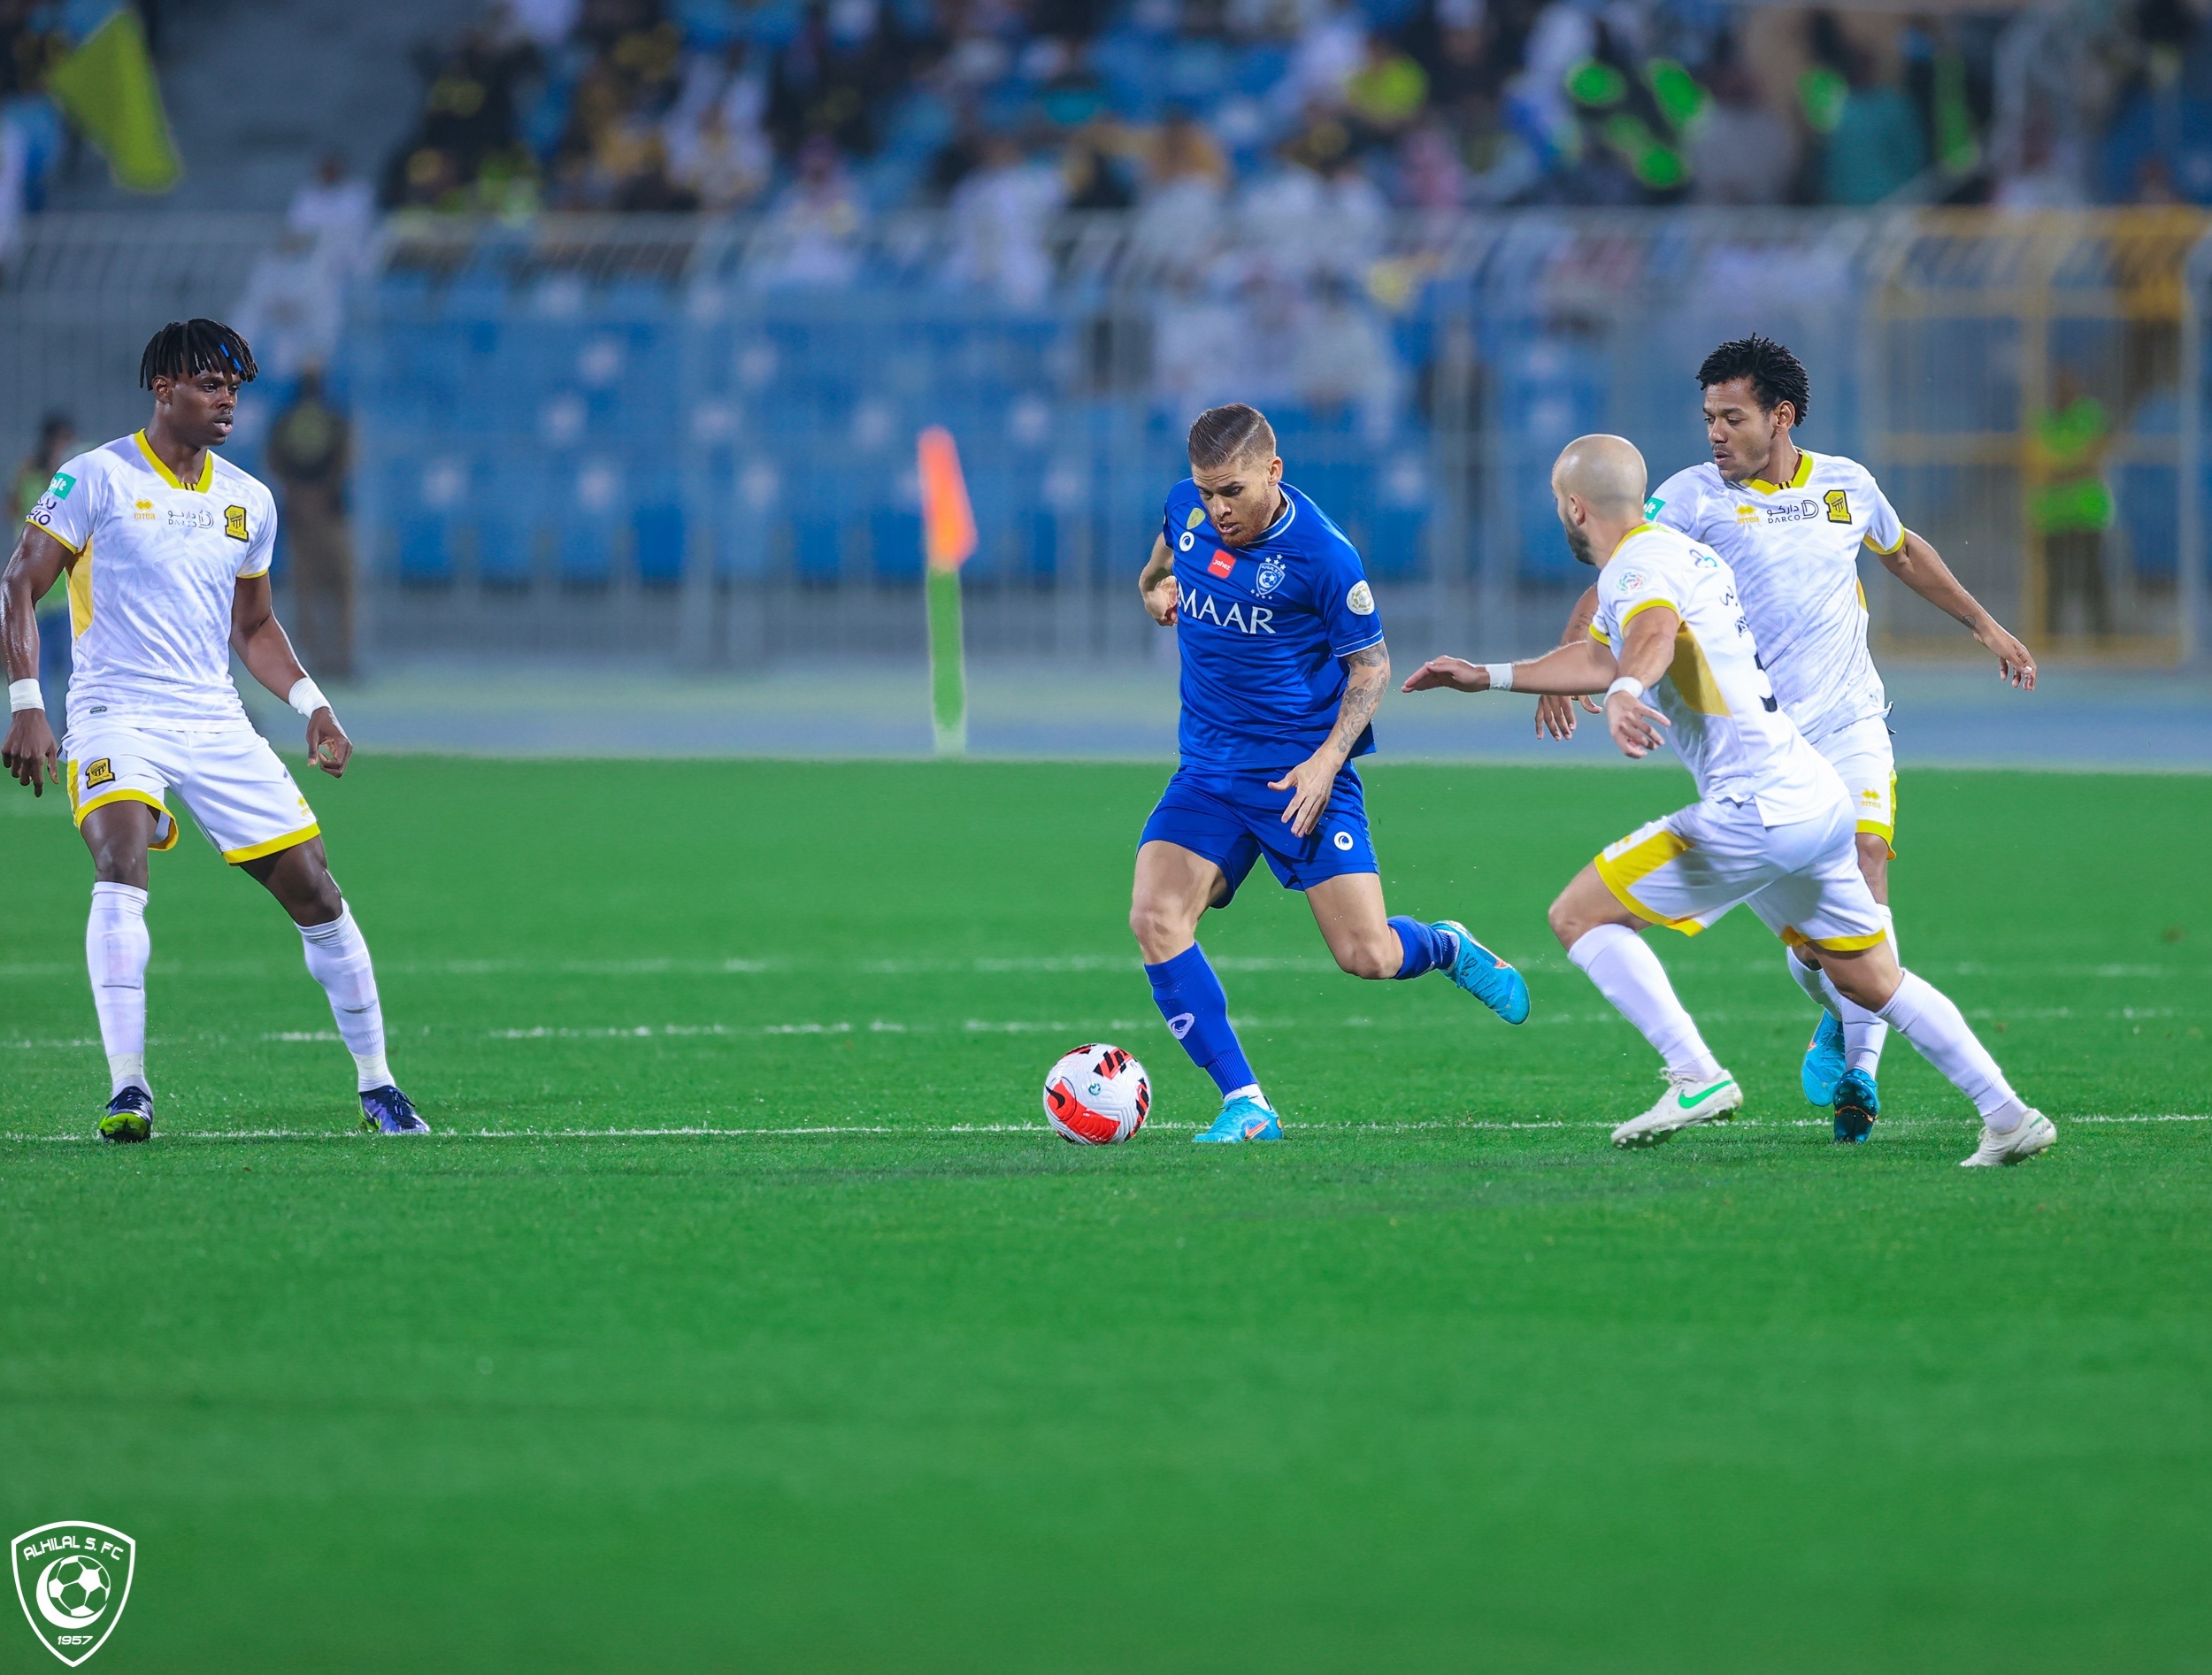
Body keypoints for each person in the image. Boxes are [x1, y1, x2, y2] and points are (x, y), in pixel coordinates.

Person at [1404, 435, 2053, 1168]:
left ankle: (1695, 1074)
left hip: (1755, 809)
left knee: (1577, 915)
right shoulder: (1683, 553)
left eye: (1561, 505)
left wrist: (1622, 690)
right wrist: (1486, 674)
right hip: (1811, 796)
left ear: (1574, 507)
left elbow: (1646, 635)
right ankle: (2008, 1115)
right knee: (1873, 979)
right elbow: (1607, 650)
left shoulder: (1639, 567)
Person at [1532, 336, 2034, 1141]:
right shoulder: (1691, 497)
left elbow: (1902, 553)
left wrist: (1986, 625)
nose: (1715, 433)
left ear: (1782, 416)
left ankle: (1861, 1072)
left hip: (1849, 723)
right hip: (1763, 747)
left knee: (1870, 864)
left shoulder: (1848, 485)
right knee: (1824, 955)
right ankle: (1848, 1005)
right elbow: (1621, 570)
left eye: (1732, 417)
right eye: (1708, 418)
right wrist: (1582, 663)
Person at [0, 319, 426, 1141]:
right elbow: (19, 582)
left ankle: (379, 1084)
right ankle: (129, 1088)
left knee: (316, 889)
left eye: (234, 385)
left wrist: (313, 706)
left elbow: (255, 626)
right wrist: (26, 702)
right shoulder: (96, 477)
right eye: (208, 383)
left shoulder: (247, 500)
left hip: (214, 718)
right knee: (120, 857)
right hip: (115, 711)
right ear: (164, 390)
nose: (226, 398)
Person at [1130, 403, 1529, 1144]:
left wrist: (1325, 760)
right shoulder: (1187, 508)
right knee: (1155, 917)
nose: (1218, 509)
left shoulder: (1323, 554)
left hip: (1300, 779)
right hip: (1208, 774)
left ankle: (1446, 945)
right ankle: (1246, 1102)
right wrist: (1153, 586)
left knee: (1366, 956)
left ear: (1273, 472)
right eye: (1207, 491)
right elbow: (1160, 559)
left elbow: (1371, 668)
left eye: (1234, 492)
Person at [264, 365, 357, 681]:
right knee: (341, 587)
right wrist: (320, 495)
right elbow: (346, 460)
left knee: (307, 589)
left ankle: (312, 661)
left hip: (299, 515)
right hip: (331, 515)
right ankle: (341, 660)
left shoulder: (285, 420)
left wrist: (299, 496)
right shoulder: (335, 418)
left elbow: (274, 462)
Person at [11, 411, 76, 712]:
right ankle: (42, 730)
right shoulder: (45, 476)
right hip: (39, 594)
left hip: (64, 595)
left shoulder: (65, 472)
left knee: (71, 672)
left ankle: (69, 734)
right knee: (40, 672)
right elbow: (17, 511)